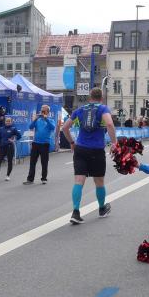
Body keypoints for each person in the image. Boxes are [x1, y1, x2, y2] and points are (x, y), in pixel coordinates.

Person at [61, 87, 117, 224]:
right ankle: (102, 209)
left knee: (78, 181)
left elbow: (65, 128)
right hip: (96, 150)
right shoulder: (103, 109)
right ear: (101, 98)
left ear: (89, 97)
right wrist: (114, 143)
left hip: (80, 149)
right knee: (99, 182)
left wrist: (72, 142)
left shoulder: (80, 110)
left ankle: (75, 212)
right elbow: (109, 124)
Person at [24, 105, 56, 185]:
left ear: (47, 112)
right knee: (32, 162)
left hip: (45, 144)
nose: (42, 112)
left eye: (43, 111)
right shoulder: (38, 120)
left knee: (44, 162)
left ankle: (44, 178)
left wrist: (46, 119)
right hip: (36, 143)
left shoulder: (51, 120)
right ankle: (30, 179)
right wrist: (35, 119)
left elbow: (52, 128)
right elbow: (30, 127)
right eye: (41, 111)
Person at [0, 117, 22, 181]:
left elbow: (19, 136)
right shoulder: (1, 128)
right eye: (6, 121)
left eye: (9, 121)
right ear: (5, 122)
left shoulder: (13, 129)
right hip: (2, 147)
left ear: (11, 122)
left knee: (10, 161)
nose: (8, 122)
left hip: (10, 147)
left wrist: (14, 140)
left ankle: (7, 176)